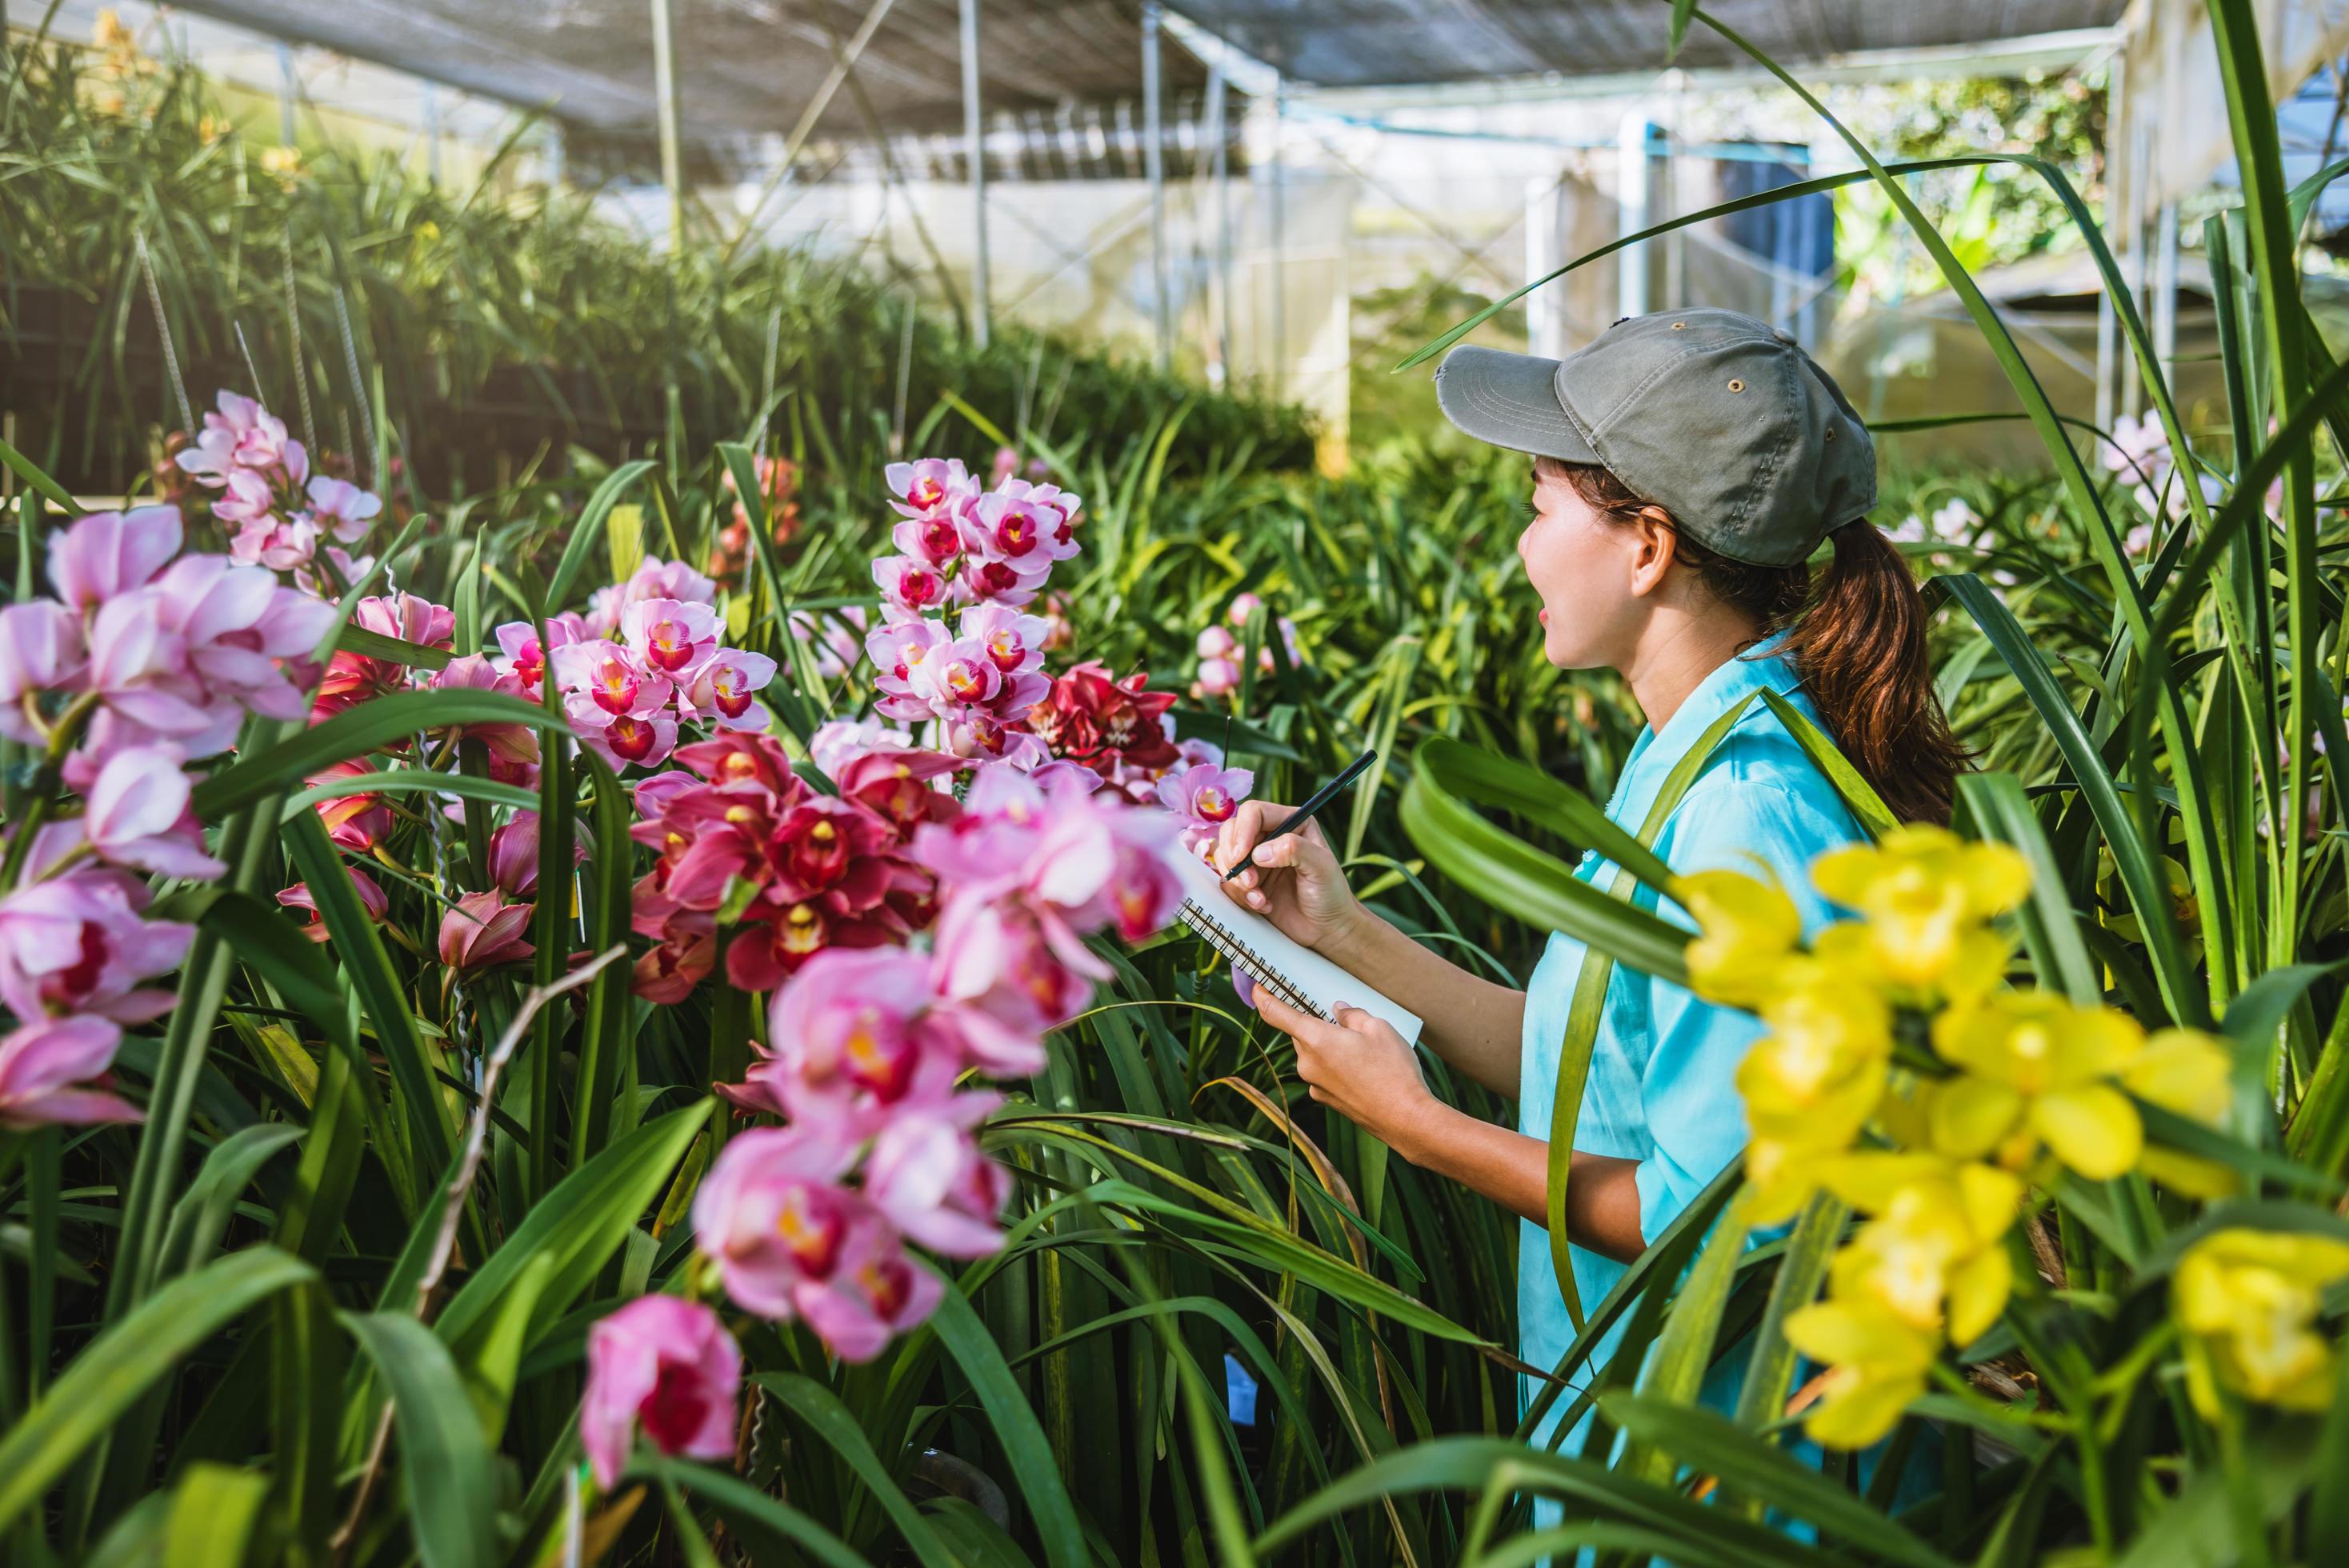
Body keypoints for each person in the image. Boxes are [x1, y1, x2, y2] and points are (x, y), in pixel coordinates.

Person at [1213, 310, 1967, 1490]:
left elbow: (1711, 1224)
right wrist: (1344, 932)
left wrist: (1420, 1129)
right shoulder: (1697, 750)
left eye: (1539, 503)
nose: (1520, 545)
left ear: (1647, 547)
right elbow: (1594, 1074)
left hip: (1720, 1498)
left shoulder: (1746, 824)